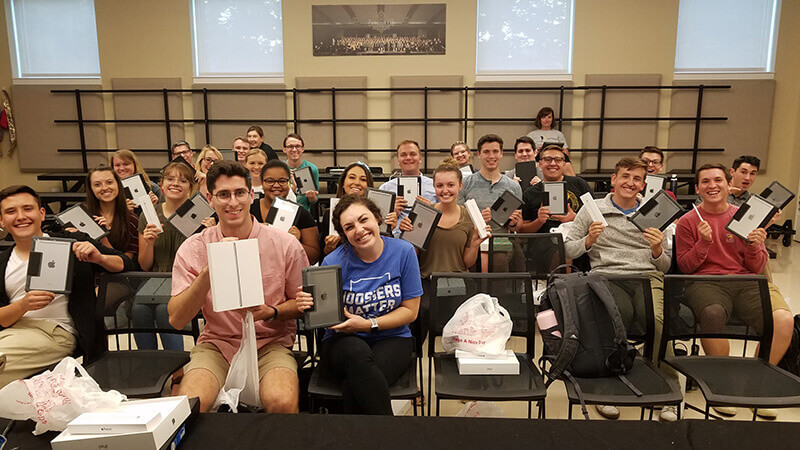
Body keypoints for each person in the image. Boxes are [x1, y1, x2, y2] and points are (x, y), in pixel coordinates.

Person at [168, 160, 309, 413]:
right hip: (219, 342)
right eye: (223, 195)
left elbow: (303, 305)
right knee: (190, 403)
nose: (233, 203)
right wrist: (207, 274)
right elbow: (177, 319)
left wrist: (272, 312)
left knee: (283, 401)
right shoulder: (194, 247)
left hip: (271, 342)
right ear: (210, 199)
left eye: (239, 193)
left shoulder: (284, 244)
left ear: (251, 194)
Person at [564, 157, 678, 422]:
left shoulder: (654, 213)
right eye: (625, 176)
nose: (631, 183)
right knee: (618, 320)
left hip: (647, 277)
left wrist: (657, 248)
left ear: (643, 184)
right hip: (606, 276)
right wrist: (589, 240)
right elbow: (569, 248)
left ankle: (668, 391)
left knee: (659, 323)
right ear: (613, 179)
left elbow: (665, 266)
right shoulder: (592, 210)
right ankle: (608, 390)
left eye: (637, 179)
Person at [675, 163, 793, 419]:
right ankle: (721, 385)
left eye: (718, 180)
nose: (712, 186)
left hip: (747, 281)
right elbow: (685, 266)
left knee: (783, 319)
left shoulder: (745, 216)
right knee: (713, 313)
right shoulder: (688, 220)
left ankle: (758, 385)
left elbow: (756, 265)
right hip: (706, 283)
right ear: (697, 188)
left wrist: (754, 245)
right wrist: (704, 243)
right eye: (705, 182)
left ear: (729, 186)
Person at [295, 194, 422, 415]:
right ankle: (393, 438)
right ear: (343, 233)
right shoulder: (333, 261)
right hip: (342, 340)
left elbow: (411, 312)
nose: (359, 230)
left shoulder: (404, 252)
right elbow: (323, 316)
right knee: (358, 356)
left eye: (364, 220)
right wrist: (308, 305)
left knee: (359, 383)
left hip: (393, 337)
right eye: (349, 227)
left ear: (377, 218)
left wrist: (367, 324)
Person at [0, 185, 134, 387]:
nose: (21, 216)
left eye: (28, 209)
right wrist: (23, 305)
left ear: (42, 213)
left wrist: (99, 258)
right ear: (1, 221)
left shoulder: (70, 243)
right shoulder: (3, 262)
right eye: (11, 211)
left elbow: (127, 265)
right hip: (13, 332)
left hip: (56, 332)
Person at [133, 161, 214, 351]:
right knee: (138, 310)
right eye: (170, 179)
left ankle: (177, 371)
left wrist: (211, 236)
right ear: (161, 185)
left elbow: (206, 264)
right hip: (156, 280)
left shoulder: (202, 216)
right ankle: (147, 366)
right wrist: (149, 243)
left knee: (164, 311)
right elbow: (145, 266)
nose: (175, 183)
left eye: (183, 180)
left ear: (190, 187)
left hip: (187, 280)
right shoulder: (149, 215)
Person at [458, 134, 523, 272]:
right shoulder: (467, 183)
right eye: (486, 152)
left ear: (501, 154)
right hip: (472, 237)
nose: (491, 156)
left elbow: (518, 225)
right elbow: (457, 217)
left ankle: (498, 294)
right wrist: (477, 219)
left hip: (501, 239)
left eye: (495, 151)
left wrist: (513, 222)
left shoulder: (514, 187)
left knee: (499, 260)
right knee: (472, 262)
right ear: (479, 154)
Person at [251, 160, 321, 265]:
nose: (276, 185)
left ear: (289, 183)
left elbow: (314, 257)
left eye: (282, 181)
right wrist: (256, 231)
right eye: (270, 181)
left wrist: (295, 242)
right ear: (261, 183)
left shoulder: (301, 213)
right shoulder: (249, 210)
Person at [518, 144, 592, 234]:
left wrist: (575, 219)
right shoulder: (530, 193)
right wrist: (539, 221)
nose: (553, 163)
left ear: (563, 163)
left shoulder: (579, 184)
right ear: (540, 164)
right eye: (547, 159)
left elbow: (597, 217)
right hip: (543, 245)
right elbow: (522, 231)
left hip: (576, 242)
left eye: (558, 160)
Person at [380, 140, 437, 237]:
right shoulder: (385, 188)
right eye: (403, 155)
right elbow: (377, 220)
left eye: (413, 154)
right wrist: (390, 211)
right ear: (398, 160)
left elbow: (446, 215)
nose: (408, 158)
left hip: (427, 239)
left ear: (420, 158)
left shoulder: (434, 186)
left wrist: (431, 209)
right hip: (394, 239)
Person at [85, 166, 139, 261]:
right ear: (91, 189)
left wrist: (101, 236)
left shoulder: (132, 220)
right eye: (97, 185)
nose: (104, 188)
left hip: (118, 275)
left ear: (118, 184)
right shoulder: (83, 217)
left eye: (109, 182)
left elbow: (126, 263)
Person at [527, 107, 576, 176]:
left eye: (549, 117)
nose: (546, 120)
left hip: (556, 157)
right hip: (540, 157)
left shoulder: (558, 134)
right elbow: (528, 152)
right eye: (544, 117)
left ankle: (573, 183)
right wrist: (537, 151)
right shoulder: (532, 135)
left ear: (552, 119)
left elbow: (565, 152)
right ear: (540, 119)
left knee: (565, 162)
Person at [282, 134, 319, 212]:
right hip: (284, 211)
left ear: (302, 149)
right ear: (284, 149)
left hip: (303, 213)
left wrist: (311, 196)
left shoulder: (312, 169)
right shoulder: (279, 169)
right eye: (290, 146)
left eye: (298, 146)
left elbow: (314, 201)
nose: (294, 150)